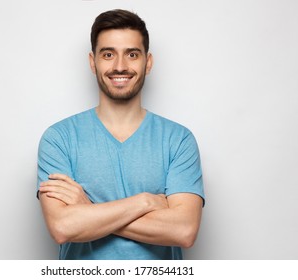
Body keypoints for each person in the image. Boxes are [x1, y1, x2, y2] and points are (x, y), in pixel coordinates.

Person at [37, 9, 205, 260]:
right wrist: (146, 202)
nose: (120, 66)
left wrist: (89, 212)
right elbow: (62, 227)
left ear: (147, 63)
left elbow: (184, 230)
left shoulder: (178, 140)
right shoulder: (59, 139)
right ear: (92, 62)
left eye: (132, 54)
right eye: (108, 54)